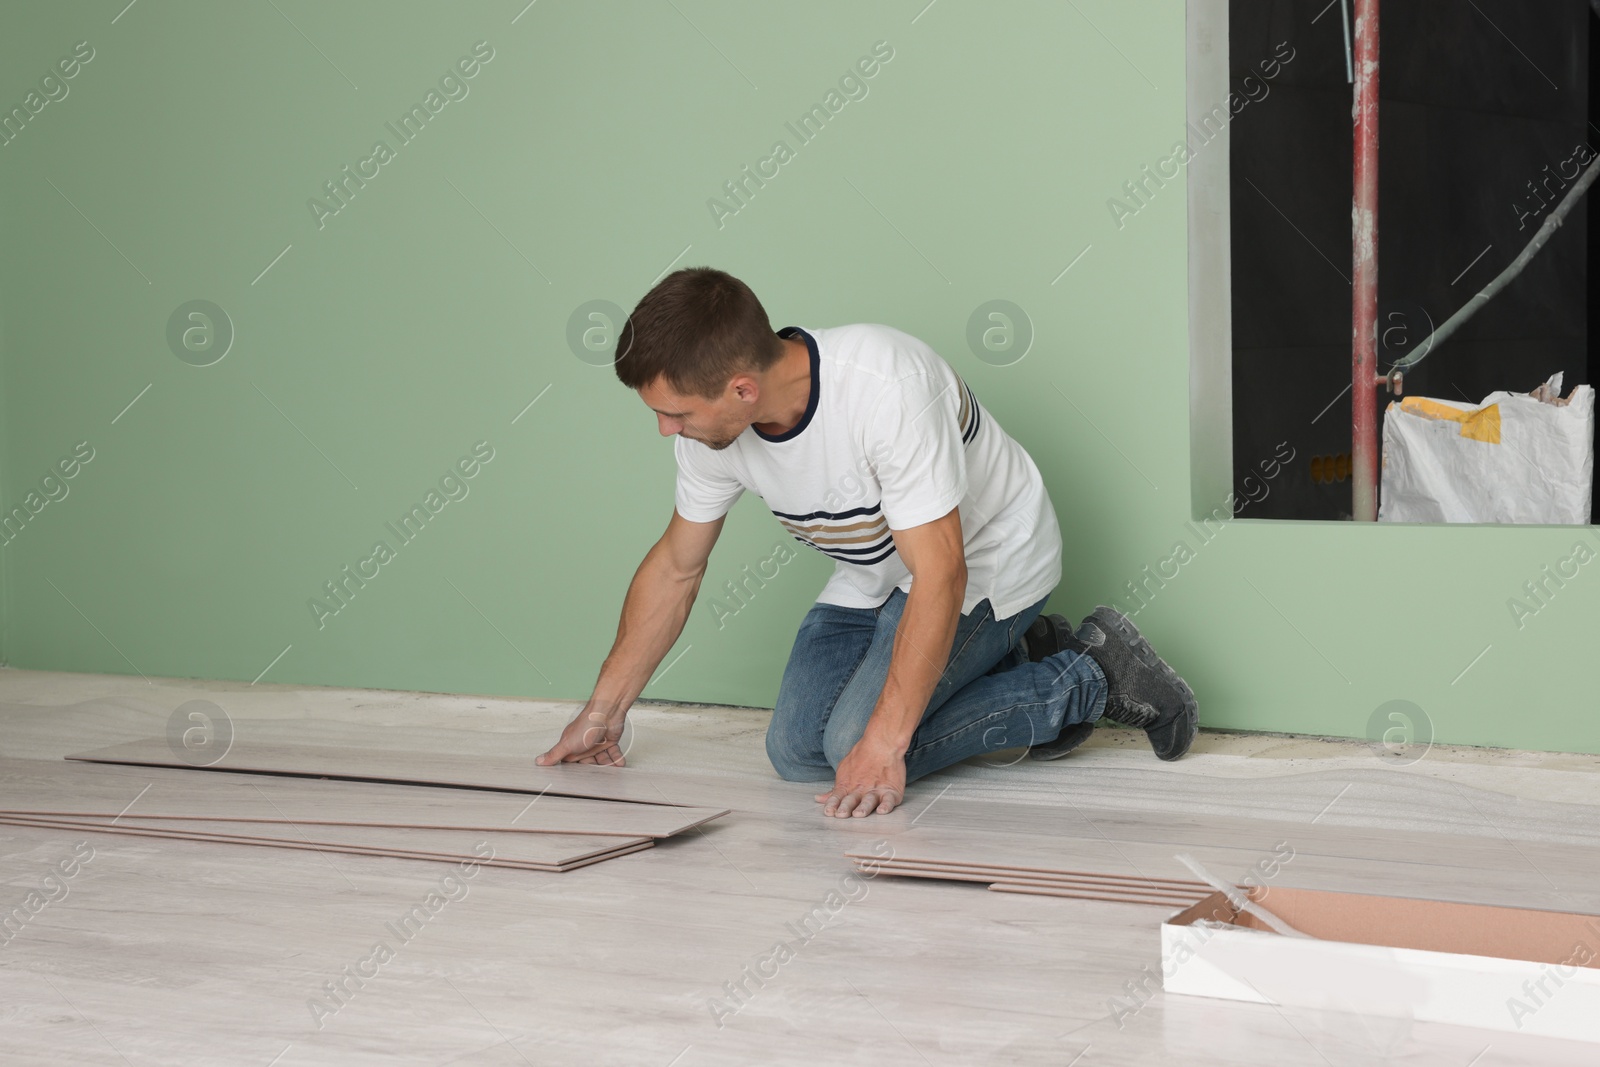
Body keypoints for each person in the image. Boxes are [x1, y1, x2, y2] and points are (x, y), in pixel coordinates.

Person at [537, 267, 1197, 818]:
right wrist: (604, 712)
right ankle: (1007, 666)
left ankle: (1089, 675)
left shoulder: (886, 387)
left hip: (990, 563)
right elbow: (677, 568)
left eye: (676, 412)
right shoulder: (715, 430)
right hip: (875, 573)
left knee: (863, 739)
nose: (664, 429)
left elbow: (941, 572)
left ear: (742, 388)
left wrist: (885, 741)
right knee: (798, 753)